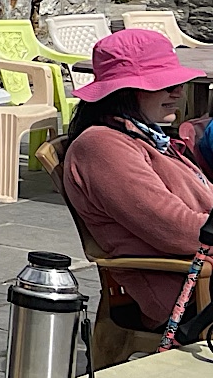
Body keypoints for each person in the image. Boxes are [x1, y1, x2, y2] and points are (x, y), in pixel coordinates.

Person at [60, 29, 213, 329]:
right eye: (165, 84)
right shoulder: (102, 146)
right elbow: (176, 230)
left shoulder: (142, 135)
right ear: (126, 91)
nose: (179, 93)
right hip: (184, 294)